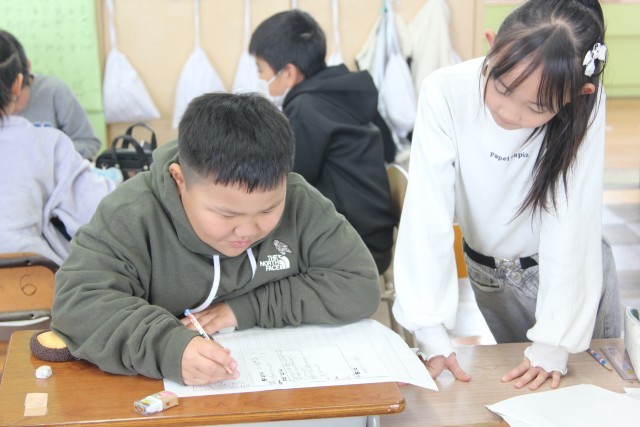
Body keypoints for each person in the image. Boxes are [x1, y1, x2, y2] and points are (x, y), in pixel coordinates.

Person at [51, 92, 381, 386]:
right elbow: (78, 303)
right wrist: (168, 347)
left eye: (268, 209)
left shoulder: (300, 202)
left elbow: (359, 285)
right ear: (180, 179)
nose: (247, 230)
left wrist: (247, 309)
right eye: (226, 214)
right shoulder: (131, 213)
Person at [392, 0, 620, 391]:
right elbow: (426, 213)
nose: (510, 113)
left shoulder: (588, 104)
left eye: (537, 107)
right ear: (492, 44)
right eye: (502, 87)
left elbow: (572, 219)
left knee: (600, 395)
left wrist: (555, 343)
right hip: (488, 275)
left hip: (565, 280)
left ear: (578, 94)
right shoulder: (445, 90)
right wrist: (429, 331)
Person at [249, 10, 397, 274]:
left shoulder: (306, 108)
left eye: (261, 70)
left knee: (248, 252)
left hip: (353, 250)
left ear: (288, 73)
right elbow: (390, 148)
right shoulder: (342, 91)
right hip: (376, 238)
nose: (260, 79)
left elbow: (287, 180)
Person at [0, 31, 115, 266]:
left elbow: (88, 141)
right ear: (17, 83)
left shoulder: (54, 91)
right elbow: (105, 210)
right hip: (31, 280)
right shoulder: (46, 143)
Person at [0, 30, 101, 160]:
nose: (7, 108)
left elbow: (88, 142)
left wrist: (52, 158)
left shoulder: (55, 91)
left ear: (27, 69)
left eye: (14, 98)